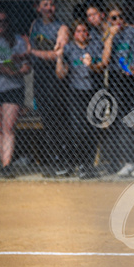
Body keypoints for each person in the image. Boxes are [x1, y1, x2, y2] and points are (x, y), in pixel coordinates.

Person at [101, 5, 134, 177]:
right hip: (116, 79)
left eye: (120, 17)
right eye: (113, 18)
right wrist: (111, 36)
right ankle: (129, 161)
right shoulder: (107, 35)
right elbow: (105, 61)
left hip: (133, 78)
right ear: (108, 20)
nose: (118, 21)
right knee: (122, 122)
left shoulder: (132, 31)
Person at [55, 21, 105, 179]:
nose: (82, 34)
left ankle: (87, 166)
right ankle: (75, 162)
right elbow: (61, 74)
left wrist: (91, 65)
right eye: (78, 31)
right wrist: (58, 58)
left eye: (84, 31)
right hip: (75, 93)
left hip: (93, 92)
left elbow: (101, 67)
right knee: (77, 128)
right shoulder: (69, 49)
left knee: (92, 128)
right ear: (73, 34)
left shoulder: (95, 46)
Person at [26, 0, 70, 176]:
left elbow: (56, 55)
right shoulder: (35, 24)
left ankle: (63, 161)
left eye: (52, 5)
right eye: (45, 5)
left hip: (55, 78)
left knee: (57, 118)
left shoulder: (62, 28)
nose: (49, 8)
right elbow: (30, 46)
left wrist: (34, 52)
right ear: (38, 8)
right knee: (46, 118)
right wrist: (33, 53)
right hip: (40, 77)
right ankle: (53, 161)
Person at [0, 10, 31, 178]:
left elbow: (27, 67)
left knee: (8, 127)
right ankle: (2, 161)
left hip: (13, 87)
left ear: (8, 22)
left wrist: (13, 72)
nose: (1, 24)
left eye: (4, 21)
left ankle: (7, 165)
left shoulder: (18, 40)